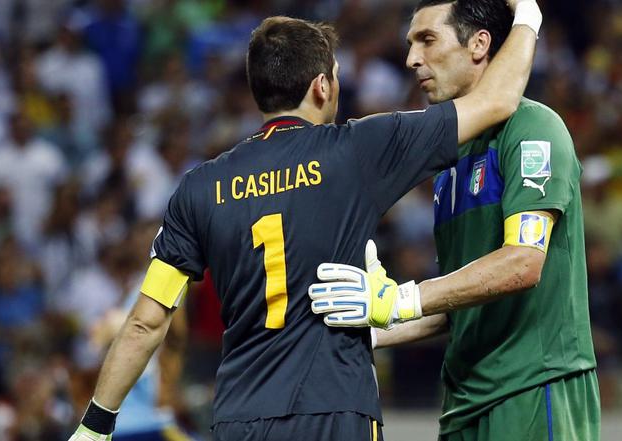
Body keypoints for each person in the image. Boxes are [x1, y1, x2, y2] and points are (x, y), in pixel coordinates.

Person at [69, 2, 543, 440]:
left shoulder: (199, 188)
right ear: (322, 86)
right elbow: (498, 101)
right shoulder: (358, 150)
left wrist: (94, 425)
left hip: (240, 416)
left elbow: (145, 325)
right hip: (336, 408)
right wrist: (527, 13)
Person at [309, 1, 599, 440]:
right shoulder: (450, 160)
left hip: (533, 388)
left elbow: (522, 262)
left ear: (479, 44)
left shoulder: (533, 129)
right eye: (410, 44)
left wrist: (403, 299)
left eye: (427, 40)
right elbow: (459, 299)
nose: (412, 59)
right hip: (464, 402)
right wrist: (371, 328)